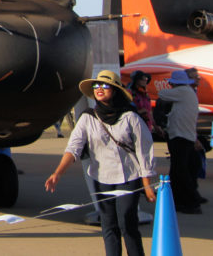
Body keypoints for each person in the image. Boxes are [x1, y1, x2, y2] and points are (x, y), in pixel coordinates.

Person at [45, 70, 156, 256]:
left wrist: (146, 184)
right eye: (96, 86)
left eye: (104, 86)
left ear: (115, 90)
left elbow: (145, 150)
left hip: (129, 176)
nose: (99, 89)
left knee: (127, 222)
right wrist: (57, 173)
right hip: (101, 177)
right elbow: (73, 148)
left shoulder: (130, 117)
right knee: (108, 225)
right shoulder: (88, 117)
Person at [156, 69, 203, 213]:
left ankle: (192, 201)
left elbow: (161, 94)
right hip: (185, 137)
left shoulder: (182, 91)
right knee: (178, 171)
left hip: (180, 137)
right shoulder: (189, 93)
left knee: (180, 171)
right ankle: (178, 200)